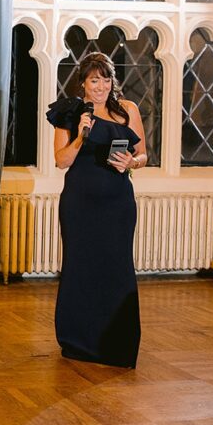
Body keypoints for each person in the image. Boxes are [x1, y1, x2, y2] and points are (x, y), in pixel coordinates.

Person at [50, 51, 145, 368]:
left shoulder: (128, 109)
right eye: (94, 80)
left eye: (106, 79)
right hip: (80, 205)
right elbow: (61, 161)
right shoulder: (71, 111)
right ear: (83, 83)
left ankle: (117, 343)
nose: (101, 86)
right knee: (81, 268)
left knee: (116, 268)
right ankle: (79, 341)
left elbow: (143, 154)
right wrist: (80, 136)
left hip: (118, 204)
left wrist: (132, 162)